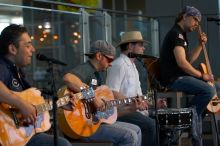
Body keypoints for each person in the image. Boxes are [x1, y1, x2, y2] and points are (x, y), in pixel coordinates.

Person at [0, 24, 72, 146]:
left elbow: (31, 105)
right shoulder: (2, 66)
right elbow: (23, 105)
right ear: (12, 49)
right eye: (28, 45)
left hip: (21, 135)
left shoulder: (18, 71)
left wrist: (58, 103)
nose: (33, 49)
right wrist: (21, 104)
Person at [159, 6, 220, 146]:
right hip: (174, 79)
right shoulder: (176, 34)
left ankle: (193, 119)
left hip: (181, 77)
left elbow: (188, 60)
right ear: (185, 16)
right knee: (209, 90)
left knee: (217, 87)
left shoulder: (181, 35)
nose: (196, 24)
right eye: (195, 20)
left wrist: (200, 45)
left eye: (198, 22)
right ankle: (190, 121)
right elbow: (182, 64)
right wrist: (202, 76)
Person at [63, 40, 142, 146]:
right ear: (99, 56)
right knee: (130, 135)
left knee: (136, 130)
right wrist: (93, 98)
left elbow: (105, 115)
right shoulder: (87, 68)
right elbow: (69, 78)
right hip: (82, 125)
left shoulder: (98, 75)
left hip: (94, 123)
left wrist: (131, 109)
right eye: (109, 60)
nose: (110, 64)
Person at [106, 31, 161, 146]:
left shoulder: (134, 66)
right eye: (140, 45)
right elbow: (111, 91)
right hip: (121, 112)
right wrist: (133, 101)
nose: (143, 48)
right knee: (151, 125)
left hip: (133, 109)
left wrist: (151, 103)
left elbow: (138, 96)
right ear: (130, 46)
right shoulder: (119, 64)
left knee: (161, 120)